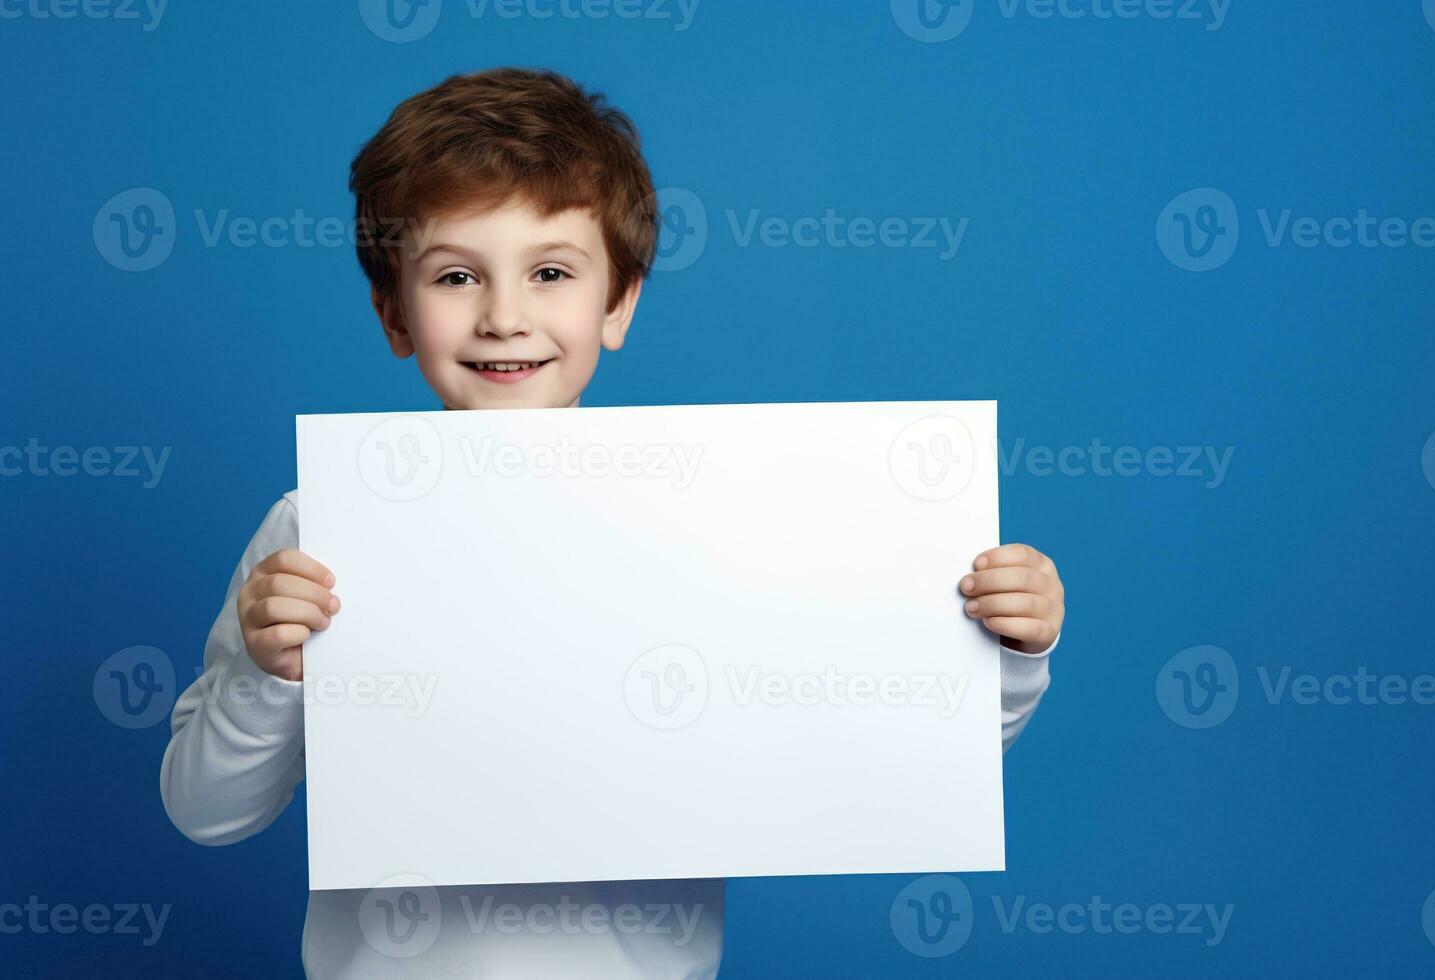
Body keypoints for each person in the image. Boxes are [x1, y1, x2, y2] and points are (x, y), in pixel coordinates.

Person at [159, 66, 1065, 978]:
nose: (504, 317)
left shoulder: (712, 526)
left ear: (618, 302)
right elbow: (206, 812)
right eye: (456, 275)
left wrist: (1009, 654)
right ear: (394, 311)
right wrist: (270, 675)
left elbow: (889, 747)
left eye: (550, 272)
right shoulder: (319, 532)